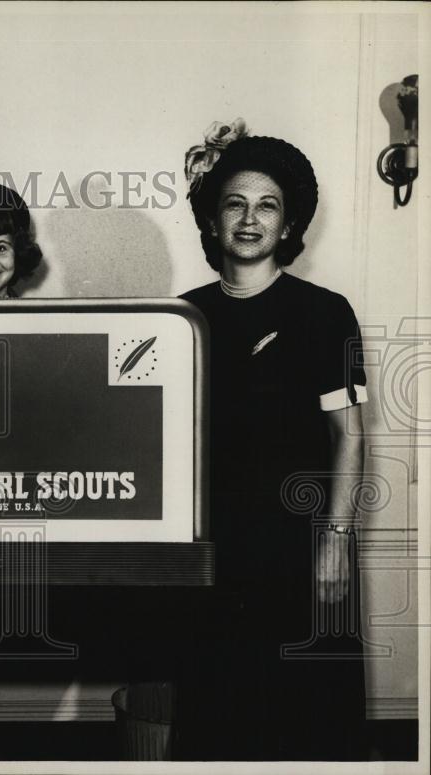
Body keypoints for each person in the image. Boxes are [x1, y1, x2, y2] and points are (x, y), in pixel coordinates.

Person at [178, 121, 368, 760]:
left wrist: (336, 545)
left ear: (288, 226)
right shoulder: (183, 317)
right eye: (234, 204)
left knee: (309, 723)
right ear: (212, 222)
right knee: (217, 717)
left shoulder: (323, 313)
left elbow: (348, 436)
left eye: (267, 206)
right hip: (214, 555)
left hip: (303, 551)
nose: (250, 219)